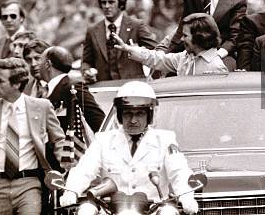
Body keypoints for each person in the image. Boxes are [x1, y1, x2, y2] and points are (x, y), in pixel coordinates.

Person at [59, 81, 199, 214]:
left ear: (149, 115)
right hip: (111, 210)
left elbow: (179, 172)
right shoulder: (103, 140)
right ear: (119, 115)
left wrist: (186, 197)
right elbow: (84, 170)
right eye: (127, 114)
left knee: (169, 212)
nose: (133, 120)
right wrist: (71, 190)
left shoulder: (165, 140)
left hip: (153, 209)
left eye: (139, 114)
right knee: (85, 210)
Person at [0, 58, 66, 214]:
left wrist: (69, 169)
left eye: (0, 81)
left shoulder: (42, 107)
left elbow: (59, 141)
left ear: (16, 84)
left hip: (29, 184)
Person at [82, 0, 158, 82]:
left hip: (132, 86)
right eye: (103, 2)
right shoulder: (92, 30)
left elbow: (156, 52)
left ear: (121, 4)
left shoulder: (136, 26)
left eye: (111, 2)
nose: (106, 6)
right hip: (103, 86)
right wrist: (87, 72)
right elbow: (86, 61)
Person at [114, 13, 228, 76]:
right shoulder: (184, 58)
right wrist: (128, 48)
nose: (182, 39)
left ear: (200, 38)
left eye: (186, 35)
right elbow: (158, 58)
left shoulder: (216, 67)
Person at [40, 46, 105, 134]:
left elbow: (98, 121)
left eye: (40, 60)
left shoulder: (73, 87)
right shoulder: (44, 91)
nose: (36, 65)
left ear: (47, 64)